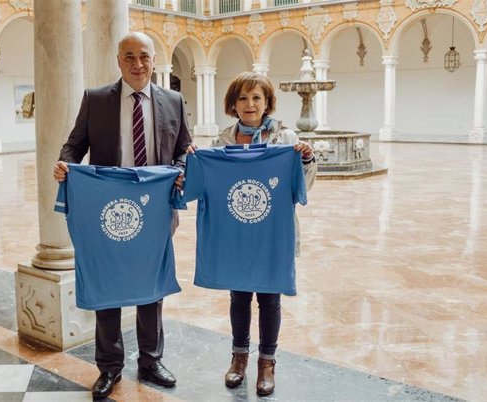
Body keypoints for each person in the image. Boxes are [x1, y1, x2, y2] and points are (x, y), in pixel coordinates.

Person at [53, 32, 191, 399]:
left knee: (152, 288)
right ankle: (110, 367)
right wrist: (65, 164)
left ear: (154, 60)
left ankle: (151, 360)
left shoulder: (174, 101)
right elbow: (75, 143)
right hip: (107, 210)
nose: (137, 64)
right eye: (129, 56)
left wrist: (180, 171)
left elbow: (184, 150)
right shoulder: (96, 99)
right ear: (119, 61)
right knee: (108, 284)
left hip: (154, 211)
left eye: (144, 56)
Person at [197, 71, 316, 396]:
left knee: (269, 297)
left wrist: (306, 158)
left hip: (272, 235)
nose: (250, 104)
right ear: (233, 104)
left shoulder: (286, 140)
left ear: (267, 103)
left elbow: (302, 187)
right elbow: (208, 184)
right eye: (243, 98)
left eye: (256, 98)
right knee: (239, 297)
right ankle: (238, 359)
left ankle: (267, 362)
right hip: (236, 234)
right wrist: (196, 163)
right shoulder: (221, 142)